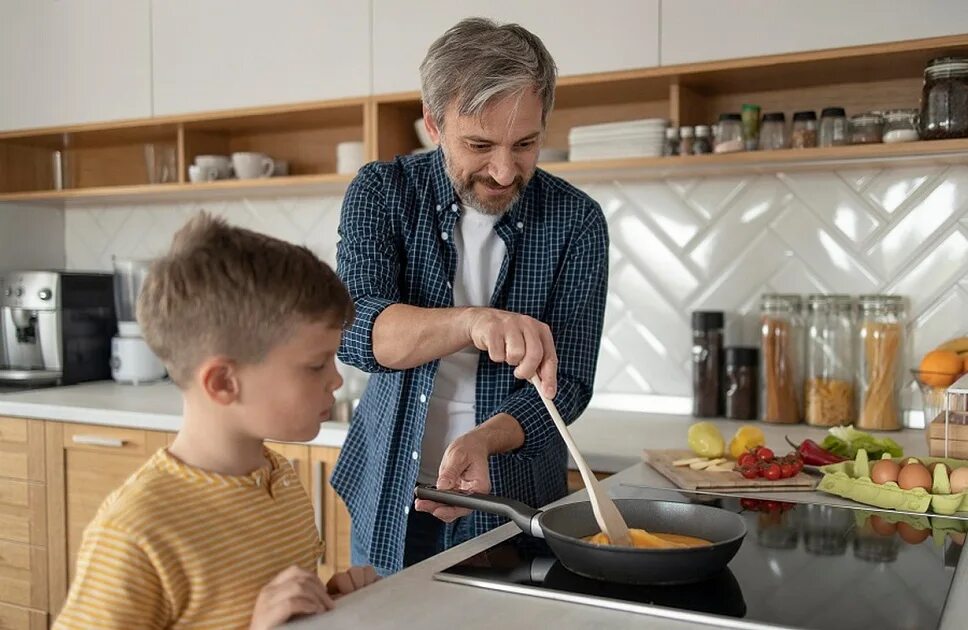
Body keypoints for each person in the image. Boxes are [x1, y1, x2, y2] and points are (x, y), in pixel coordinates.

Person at [334, 17, 609, 575]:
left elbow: (571, 382)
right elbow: (358, 330)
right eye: (479, 145)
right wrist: (472, 323)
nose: (505, 171)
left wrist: (487, 439)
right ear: (433, 125)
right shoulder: (381, 193)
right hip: (390, 489)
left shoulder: (576, 222)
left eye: (526, 143)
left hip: (513, 500)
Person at [54, 213, 378, 630]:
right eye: (316, 365)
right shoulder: (135, 533)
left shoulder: (279, 481)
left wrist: (328, 602)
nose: (336, 379)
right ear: (224, 382)